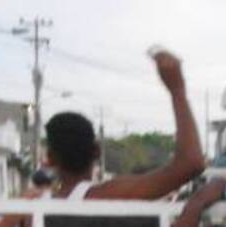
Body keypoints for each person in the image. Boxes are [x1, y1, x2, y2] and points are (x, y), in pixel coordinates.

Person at [42, 50, 204, 201]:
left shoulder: (32, 207)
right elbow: (190, 164)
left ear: (49, 159)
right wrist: (177, 90)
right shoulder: (111, 195)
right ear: (97, 151)